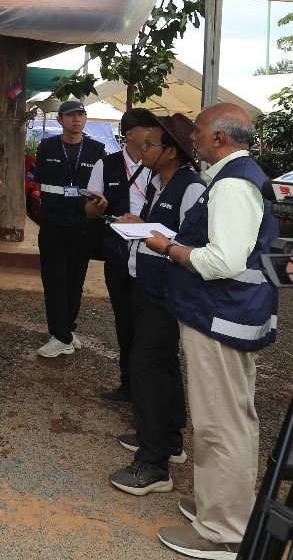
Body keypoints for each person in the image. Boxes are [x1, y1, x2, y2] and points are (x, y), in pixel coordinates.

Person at [140, 103, 278, 560]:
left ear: (219, 137)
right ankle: (222, 506)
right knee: (230, 418)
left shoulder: (233, 185)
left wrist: (169, 248)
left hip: (219, 316)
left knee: (221, 423)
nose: (192, 137)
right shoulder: (234, 178)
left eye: (198, 131)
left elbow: (222, 261)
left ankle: (224, 531)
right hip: (225, 315)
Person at [109, 112, 204, 498]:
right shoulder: (155, 182)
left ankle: (153, 463)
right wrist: (138, 222)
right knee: (162, 365)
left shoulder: (191, 188)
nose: (142, 149)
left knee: (145, 366)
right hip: (145, 285)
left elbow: (192, 244)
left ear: (171, 152)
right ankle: (168, 439)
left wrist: (152, 234)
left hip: (167, 292)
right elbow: (158, 229)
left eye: (150, 144)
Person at [31, 99, 107, 359]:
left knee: (76, 281)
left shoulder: (97, 150)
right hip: (53, 224)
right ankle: (60, 335)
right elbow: (39, 183)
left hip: (82, 225)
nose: (76, 119)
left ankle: (67, 329)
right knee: (54, 280)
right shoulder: (47, 147)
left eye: (81, 115)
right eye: (71, 115)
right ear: (60, 119)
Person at [96, 109, 155, 405]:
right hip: (118, 254)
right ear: (131, 134)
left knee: (150, 323)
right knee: (124, 320)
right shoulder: (106, 165)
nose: (153, 135)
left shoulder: (160, 165)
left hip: (153, 253)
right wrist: (96, 205)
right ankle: (128, 385)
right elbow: (90, 211)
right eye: (148, 129)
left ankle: (148, 391)